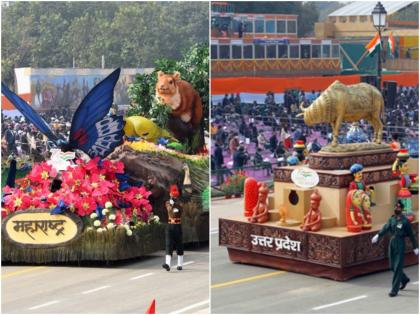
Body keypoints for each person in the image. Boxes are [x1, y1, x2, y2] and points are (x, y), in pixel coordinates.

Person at [371, 201, 418, 297]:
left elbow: (411, 235)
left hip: (400, 243)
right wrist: (378, 235)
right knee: (392, 266)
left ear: (402, 209)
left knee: (397, 267)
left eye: (399, 208)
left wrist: (415, 247)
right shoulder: (392, 219)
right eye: (396, 207)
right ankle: (404, 279)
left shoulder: (405, 221)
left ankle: (394, 290)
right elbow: (385, 228)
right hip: (392, 243)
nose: (397, 209)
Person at [162, 184, 184, 272]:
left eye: (174, 194)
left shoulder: (180, 203)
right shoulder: (168, 202)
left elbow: (178, 212)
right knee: (168, 244)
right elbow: (170, 212)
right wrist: (172, 205)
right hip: (170, 225)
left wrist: (175, 204)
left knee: (179, 244)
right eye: (172, 193)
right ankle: (167, 264)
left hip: (178, 225)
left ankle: (180, 264)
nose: (173, 195)